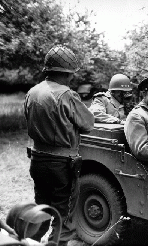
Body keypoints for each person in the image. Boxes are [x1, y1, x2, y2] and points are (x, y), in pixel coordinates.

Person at [24, 45, 95, 246]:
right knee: (64, 216)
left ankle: (32, 242)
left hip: (37, 159)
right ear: (68, 73)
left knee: (42, 209)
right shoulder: (67, 95)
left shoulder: (32, 92)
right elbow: (88, 124)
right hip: (61, 164)